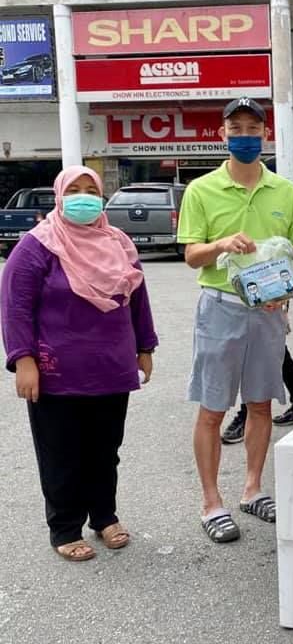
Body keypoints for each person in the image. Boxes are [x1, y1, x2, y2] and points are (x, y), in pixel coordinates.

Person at [0, 165, 158, 561]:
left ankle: (104, 516)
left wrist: (145, 347)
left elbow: (137, 298)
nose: (84, 197)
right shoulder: (37, 245)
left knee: (106, 449)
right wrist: (23, 360)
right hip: (57, 371)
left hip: (111, 366)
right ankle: (65, 527)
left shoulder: (118, 242)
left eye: (92, 189)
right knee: (61, 452)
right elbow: (16, 308)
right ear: (59, 195)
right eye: (75, 189)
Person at [177, 96, 293, 543]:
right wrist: (220, 245)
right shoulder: (201, 190)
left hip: (268, 312)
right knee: (213, 409)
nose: (245, 137)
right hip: (220, 308)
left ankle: (253, 488)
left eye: (253, 130)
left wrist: (286, 286)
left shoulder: (285, 191)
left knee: (260, 403)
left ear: (265, 135)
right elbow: (191, 254)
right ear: (223, 134)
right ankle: (211, 501)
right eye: (236, 129)